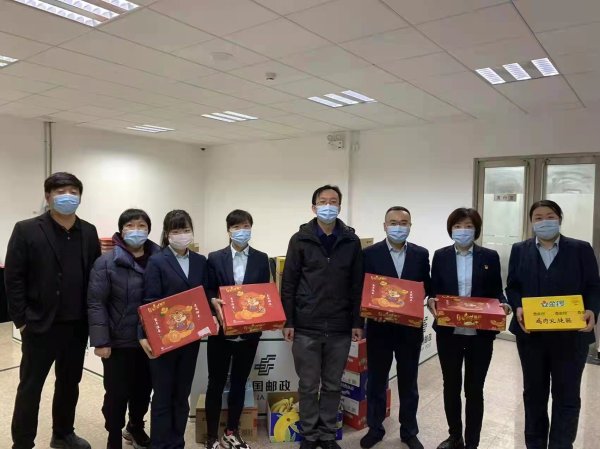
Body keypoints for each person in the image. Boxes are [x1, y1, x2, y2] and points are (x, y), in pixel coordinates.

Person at [5, 172, 101, 449]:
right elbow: (13, 278)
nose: (67, 196)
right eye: (60, 192)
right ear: (48, 197)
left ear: (80, 197)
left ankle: (63, 434)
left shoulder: (89, 231)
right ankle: (23, 442)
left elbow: (95, 277)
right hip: (39, 324)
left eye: (73, 191)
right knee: (30, 387)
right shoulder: (26, 229)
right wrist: (22, 320)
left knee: (69, 383)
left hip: (76, 325)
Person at [507, 200, 600, 449]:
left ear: (560, 218)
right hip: (532, 337)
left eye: (550, 216)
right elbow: (513, 286)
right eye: (538, 217)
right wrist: (517, 306)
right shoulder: (519, 250)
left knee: (567, 396)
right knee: (534, 395)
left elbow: (594, 286)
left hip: (571, 336)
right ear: (531, 222)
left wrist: (592, 310)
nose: (544, 221)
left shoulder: (581, 249)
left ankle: (562, 444)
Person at [281, 185, 363, 449]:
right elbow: (289, 283)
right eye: (323, 201)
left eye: (333, 201)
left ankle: (327, 434)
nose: (328, 206)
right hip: (306, 324)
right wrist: (289, 320)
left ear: (339, 206)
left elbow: (357, 285)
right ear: (314, 207)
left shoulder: (351, 241)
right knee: (308, 384)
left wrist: (357, 322)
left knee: (332, 384)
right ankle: (309, 434)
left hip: (340, 325)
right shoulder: (300, 239)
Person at [428, 208, 511, 449]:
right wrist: (431, 300)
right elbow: (434, 290)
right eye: (458, 226)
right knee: (451, 386)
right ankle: (455, 436)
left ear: (476, 230)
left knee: (475, 390)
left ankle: (472, 441)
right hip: (449, 334)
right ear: (450, 229)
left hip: (480, 336)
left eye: (468, 226)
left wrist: (504, 304)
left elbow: (497, 291)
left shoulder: (489, 256)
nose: (463, 231)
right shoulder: (441, 256)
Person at [87, 209, 160, 449]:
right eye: (130, 225)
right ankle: (113, 435)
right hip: (119, 342)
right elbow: (96, 302)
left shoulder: (160, 259)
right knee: (116, 393)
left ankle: (135, 427)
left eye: (142, 225)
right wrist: (101, 341)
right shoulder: (106, 262)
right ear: (121, 230)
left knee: (143, 390)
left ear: (149, 230)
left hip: (151, 340)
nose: (136, 230)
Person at [359, 207, 430, 449]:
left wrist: (421, 296)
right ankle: (375, 428)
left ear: (410, 226)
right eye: (393, 222)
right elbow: (361, 289)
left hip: (409, 329)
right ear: (384, 225)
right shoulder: (369, 254)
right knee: (377, 381)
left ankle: (409, 431)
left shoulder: (420, 254)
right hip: (379, 329)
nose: (398, 227)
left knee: (409, 382)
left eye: (403, 222)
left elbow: (427, 285)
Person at [138, 210, 209, 449]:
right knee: (162, 395)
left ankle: (177, 442)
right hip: (164, 340)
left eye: (186, 230)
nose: (182, 235)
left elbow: (205, 295)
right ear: (167, 234)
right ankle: (159, 444)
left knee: (182, 394)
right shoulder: (157, 261)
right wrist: (144, 335)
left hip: (190, 339)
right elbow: (149, 301)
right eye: (176, 230)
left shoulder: (200, 261)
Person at [204, 209, 271, 449]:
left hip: (249, 334)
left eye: (246, 226)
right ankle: (212, 436)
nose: (241, 231)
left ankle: (231, 431)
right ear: (228, 231)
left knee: (240, 383)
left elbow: (265, 294)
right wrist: (213, 302)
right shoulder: (214, 258)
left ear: (251, 228)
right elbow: (208, 290)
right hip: (221, 333)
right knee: (215, 383)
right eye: (236, 227)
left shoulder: (262, 258)